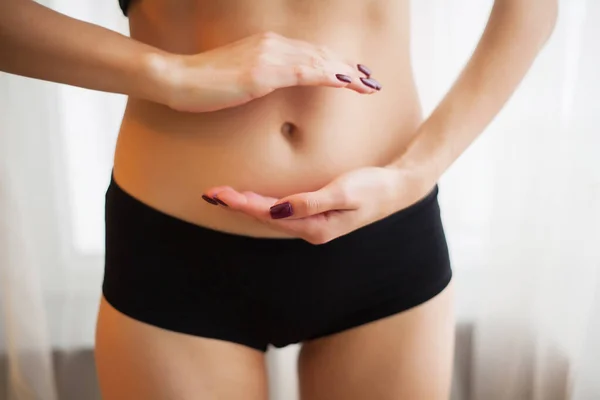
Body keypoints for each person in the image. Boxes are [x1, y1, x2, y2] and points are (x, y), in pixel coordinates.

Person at [0, 0, 558, 398]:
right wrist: (173, 74)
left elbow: (531, 8)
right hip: (177, 252)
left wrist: (414, 175)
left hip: (384, 233)